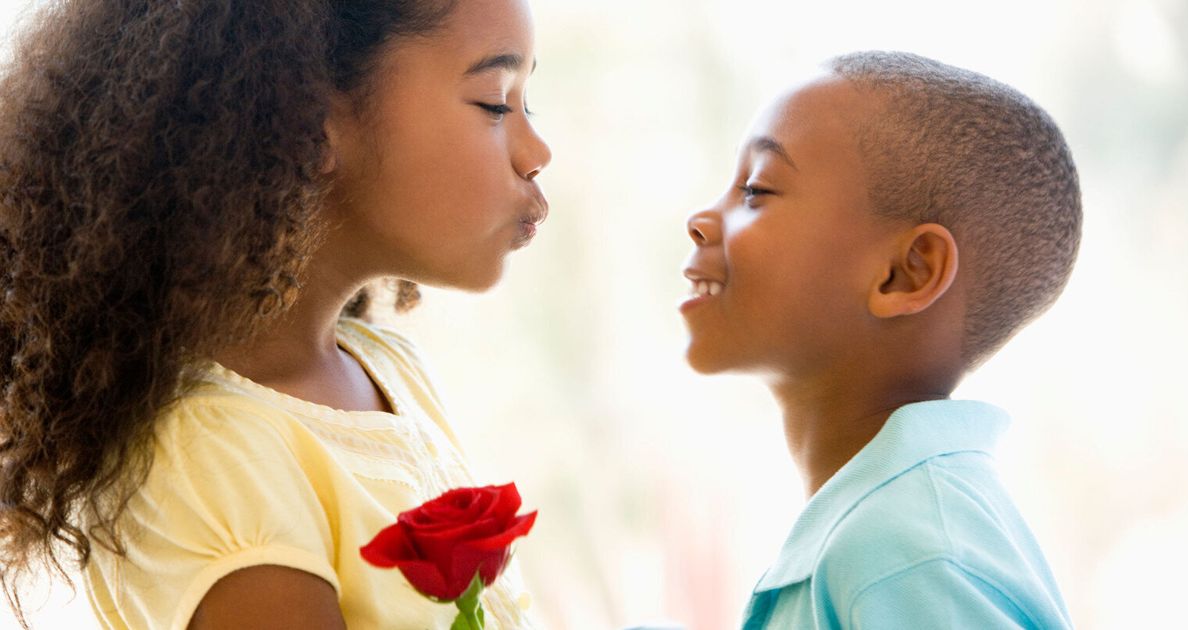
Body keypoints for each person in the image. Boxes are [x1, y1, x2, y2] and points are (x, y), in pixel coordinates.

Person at [0, 0, 550, 628]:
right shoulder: (208, 457)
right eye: (495, 103)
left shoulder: (386, 367)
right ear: (308, 121)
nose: (538, 151)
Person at [679, 51, 1079, 628]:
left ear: (906, 272)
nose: (700, 218)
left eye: (757, 190)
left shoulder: (909, 553)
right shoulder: (886, 531)